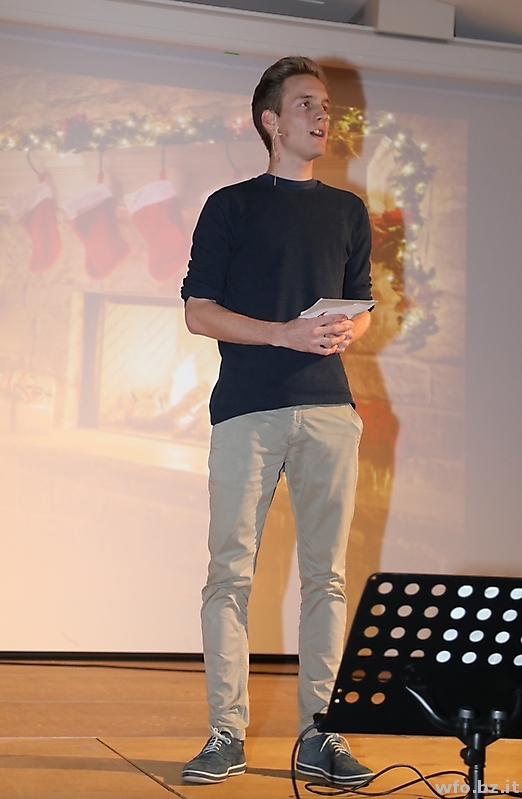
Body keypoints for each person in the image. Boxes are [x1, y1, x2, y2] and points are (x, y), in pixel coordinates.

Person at [180, 55, 374, 788]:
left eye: (325, 105)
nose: (322, 116)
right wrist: (284, 334)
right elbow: (199, 312)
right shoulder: (229, 206)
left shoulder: (348, 211)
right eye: (305, 105)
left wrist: (345, 329)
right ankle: (226, 733)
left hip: (330, 411)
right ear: (269, 120)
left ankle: (321, 734)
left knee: (328, 578)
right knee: (230, 575)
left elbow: (360, 306)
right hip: (246, 411)